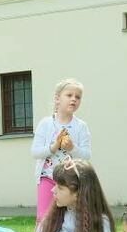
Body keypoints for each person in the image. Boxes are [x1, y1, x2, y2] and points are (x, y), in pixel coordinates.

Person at [29, 78, 92, 224]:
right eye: (69, 95)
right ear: (57, 99)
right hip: (47, 178)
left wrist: (72, 148)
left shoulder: (81, 126)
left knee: (69, 219)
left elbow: (87, 156)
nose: (73, 99)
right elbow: (35, 152)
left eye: (77, 97)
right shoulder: (45, 124)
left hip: (71, 182)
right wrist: (53, 147)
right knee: (44, 218)